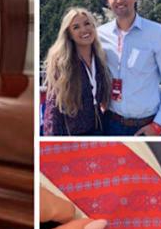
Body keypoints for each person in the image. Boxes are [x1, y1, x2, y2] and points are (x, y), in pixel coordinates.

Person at [98, 0, 161, 136]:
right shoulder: (100, 35)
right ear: (108, 1)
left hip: (146, 126)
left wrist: (158, 125)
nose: (119, 0)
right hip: (109, 123)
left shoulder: (158, 33)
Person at [42, 7, 111, 135]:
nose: (84, 30)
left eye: (87, 23)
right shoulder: (62, 64)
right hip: (72, 135)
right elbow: (53, 108)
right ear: (69, 34)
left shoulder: (100, 58)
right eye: (76, 27)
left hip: (99, 130)